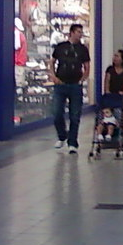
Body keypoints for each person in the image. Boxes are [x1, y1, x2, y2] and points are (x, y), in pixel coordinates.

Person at [48, 22, 90, 154]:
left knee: (75, 114)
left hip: (75, 85)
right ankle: (62, 135)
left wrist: (82, 79)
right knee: (57, 112)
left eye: (81, 32)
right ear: (71, 32)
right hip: (60, 84)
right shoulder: (61, 47)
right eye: (78, 32)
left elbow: (87, 66)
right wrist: (53, 76)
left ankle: (73, 142)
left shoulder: (83, 49)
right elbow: (52, 61)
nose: (80, 34)